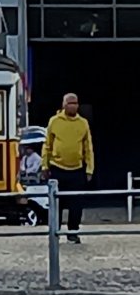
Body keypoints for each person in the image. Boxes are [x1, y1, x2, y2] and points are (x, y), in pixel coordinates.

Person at [41, 93, 95, 244]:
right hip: (57, 168)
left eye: (75, 103)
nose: (73, 105)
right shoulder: (54, 121)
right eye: (70, 103)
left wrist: (89, 169)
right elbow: (47, 145)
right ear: (64, 105)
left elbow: (88, 148)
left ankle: (73, 232)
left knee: (76, 205)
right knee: (56, 204)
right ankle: (54, 232)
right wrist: (45, 165)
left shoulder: (83, 123)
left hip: (77, 169)